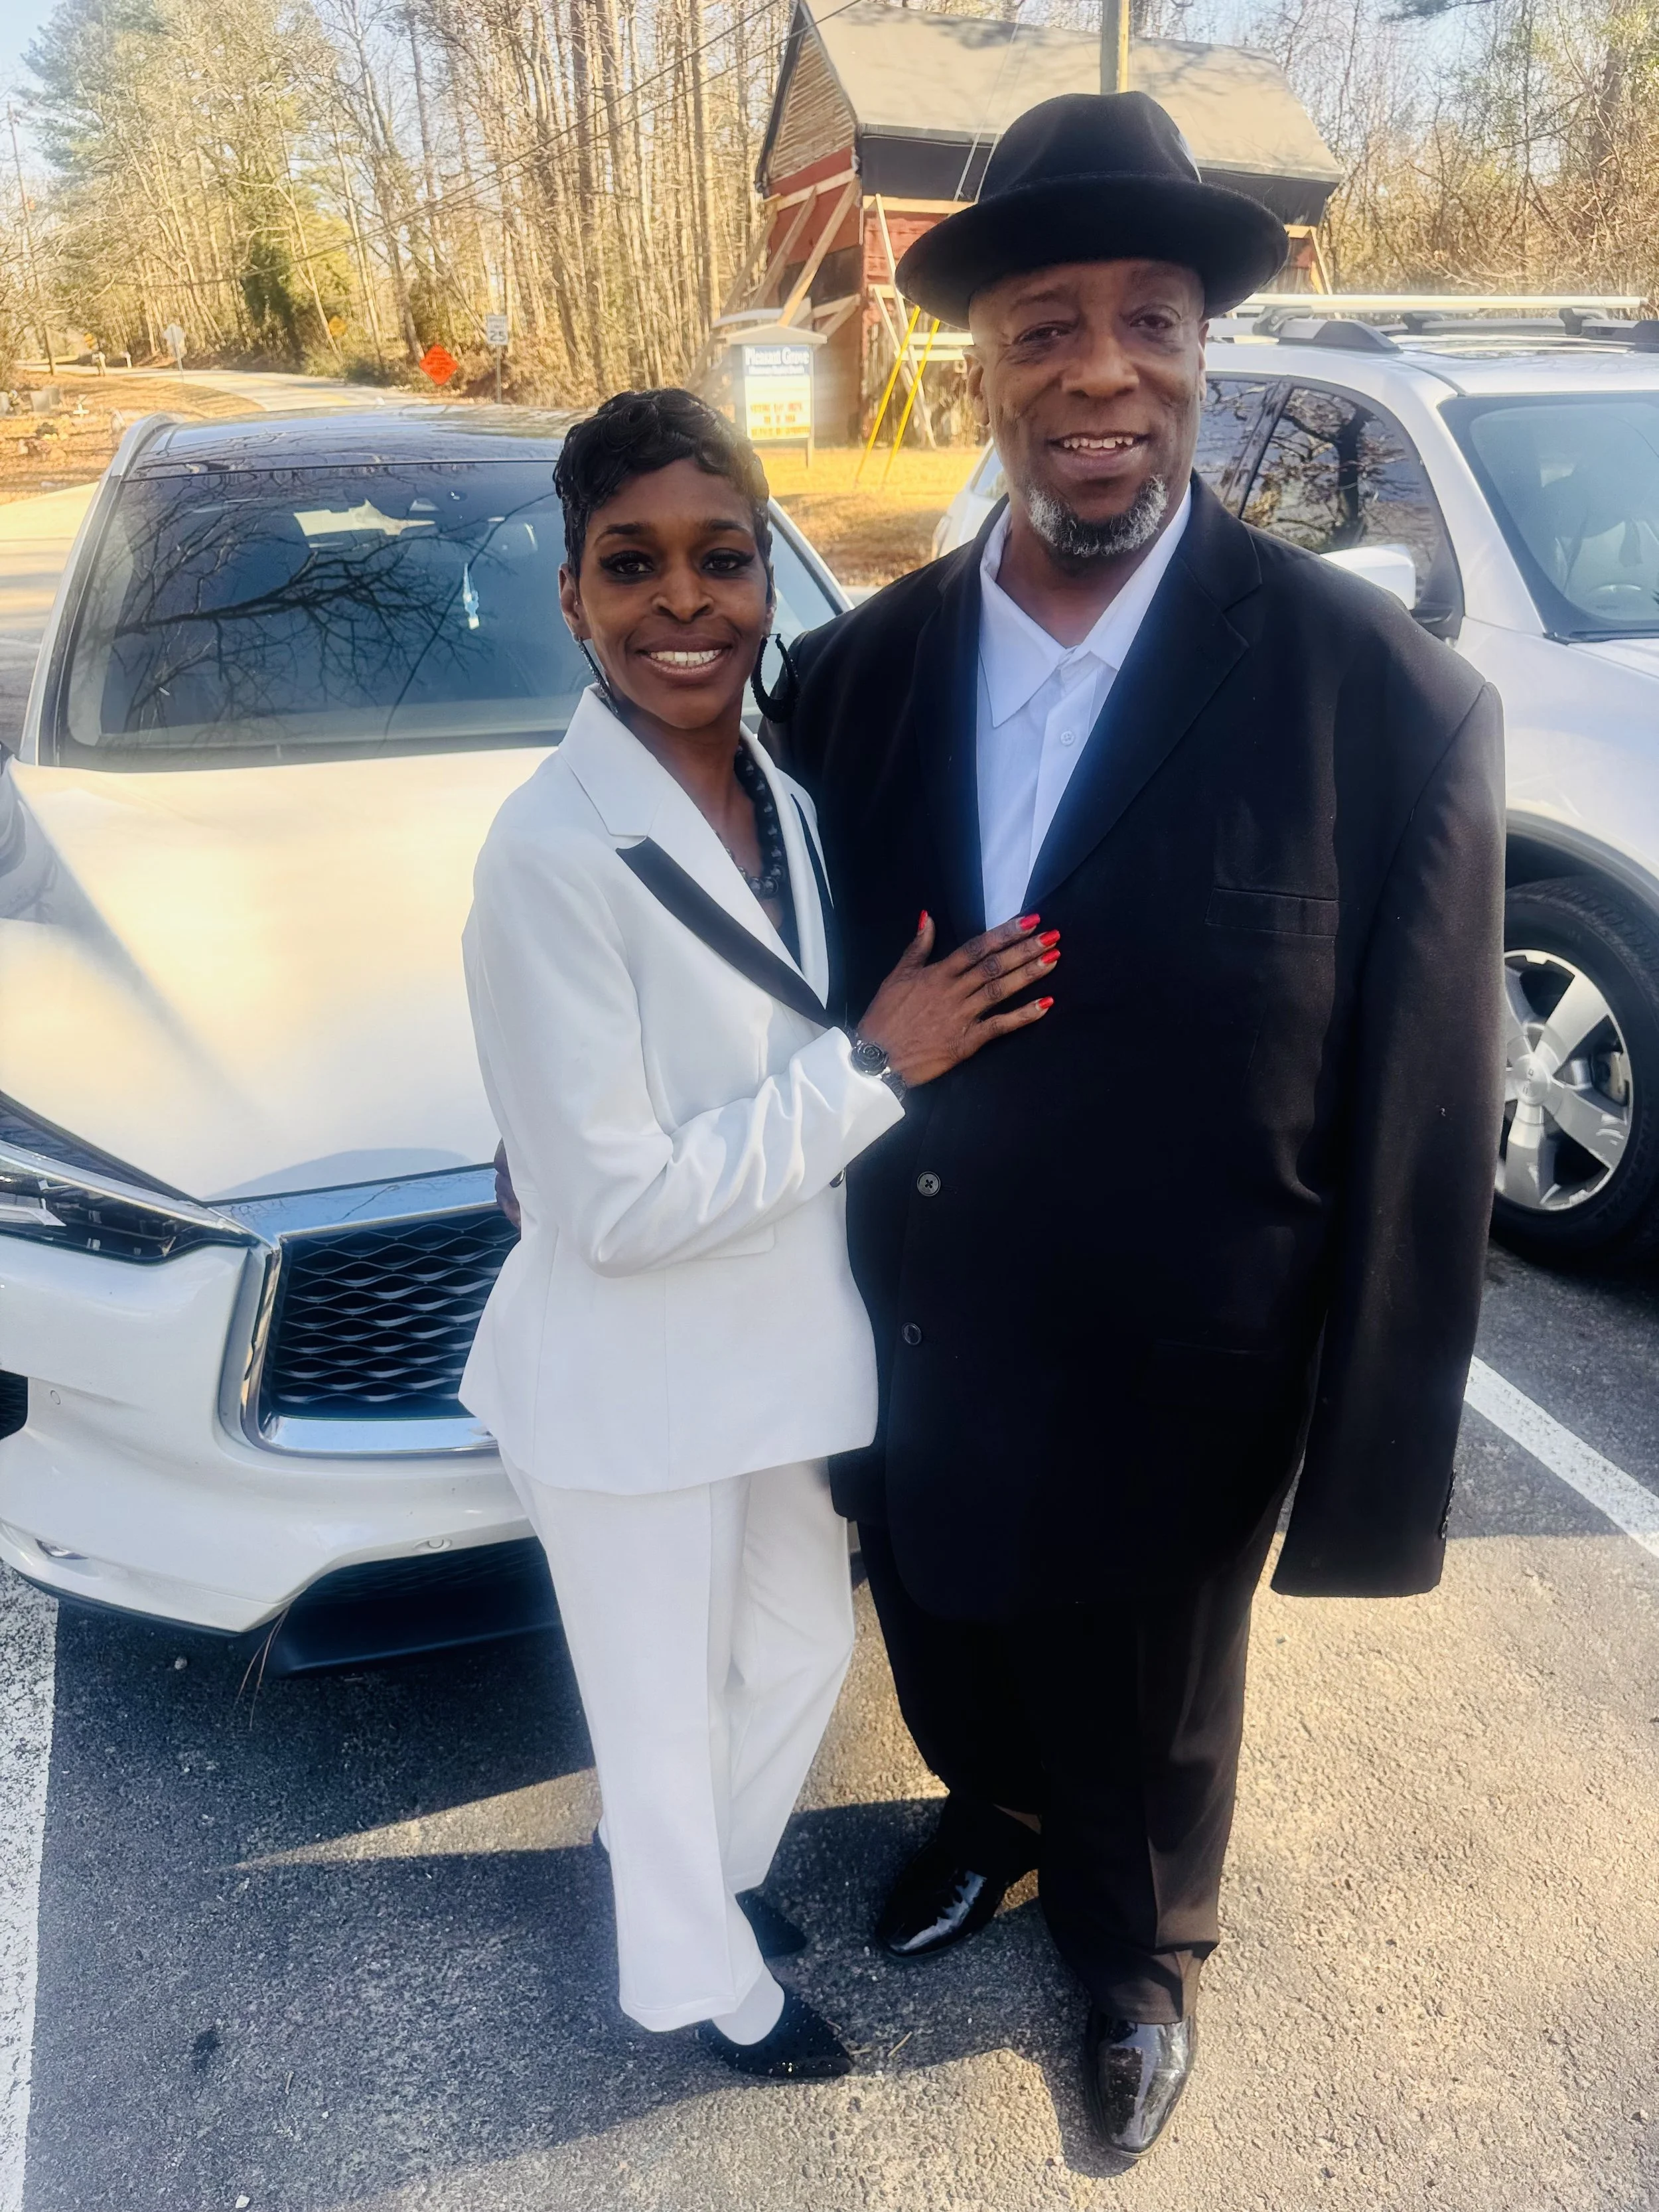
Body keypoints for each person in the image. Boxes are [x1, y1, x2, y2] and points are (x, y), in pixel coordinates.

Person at [776, 92, 1505, 2156]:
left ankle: (1136, 1945)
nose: (1097, 373)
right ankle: (990, 1813)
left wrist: (1370, 1466)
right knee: (952, 1632)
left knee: (1150, 1717)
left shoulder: (1384, 705)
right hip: (914, 1327)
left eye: (1148, 322)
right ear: (978, 365)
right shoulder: (857, 684)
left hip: (1187, 1364)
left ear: (1204, 350)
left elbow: (1427, 1127)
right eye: (1043, 327)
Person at [460, 389, 1058, 2081]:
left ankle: (700, 1884)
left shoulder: (781, 795)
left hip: (776, 1359)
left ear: (768, 579)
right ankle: (699, 1980)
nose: (683, 604)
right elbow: (619, 1203)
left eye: (721, 560)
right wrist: (882, 1062)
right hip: (628, 1381)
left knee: (796, 1647)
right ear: (570, 595)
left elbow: (671, 1060)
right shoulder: (546, 851)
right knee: (654, 1722)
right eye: (629, 565)